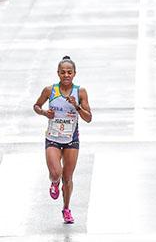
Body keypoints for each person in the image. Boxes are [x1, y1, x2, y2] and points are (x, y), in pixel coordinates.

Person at [33, 56, 92, 224]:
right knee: (55, 173)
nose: (66, 75)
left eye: (69, 72)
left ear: (74, 74)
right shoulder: (49, 90)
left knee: (68, 177)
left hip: (71, 139)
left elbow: (88, 118)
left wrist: (77, 106)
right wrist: (45, 113)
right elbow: (36, 106)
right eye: (63, 72)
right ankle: (54, 181)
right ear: (58, 73)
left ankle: (66, 209)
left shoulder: (80, 92)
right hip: (53, 137)